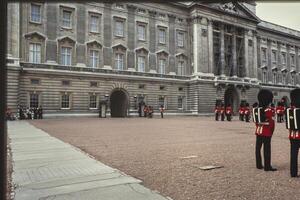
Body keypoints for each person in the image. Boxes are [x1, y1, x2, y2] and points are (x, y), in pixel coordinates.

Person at [254, 89, 277, 171]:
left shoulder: (257, 109)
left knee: (258, 148)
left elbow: (255, 121)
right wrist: (271, 131)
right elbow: (272, 123)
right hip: (266, 132)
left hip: (258, 131)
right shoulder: (269, 110)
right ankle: (267, 166)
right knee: (267, 149)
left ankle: (258, 164)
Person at [286, 89, 300, 177]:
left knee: (293, 153)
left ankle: (293, 172)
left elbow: (288, 124)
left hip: (292, 135)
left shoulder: (289, 110)